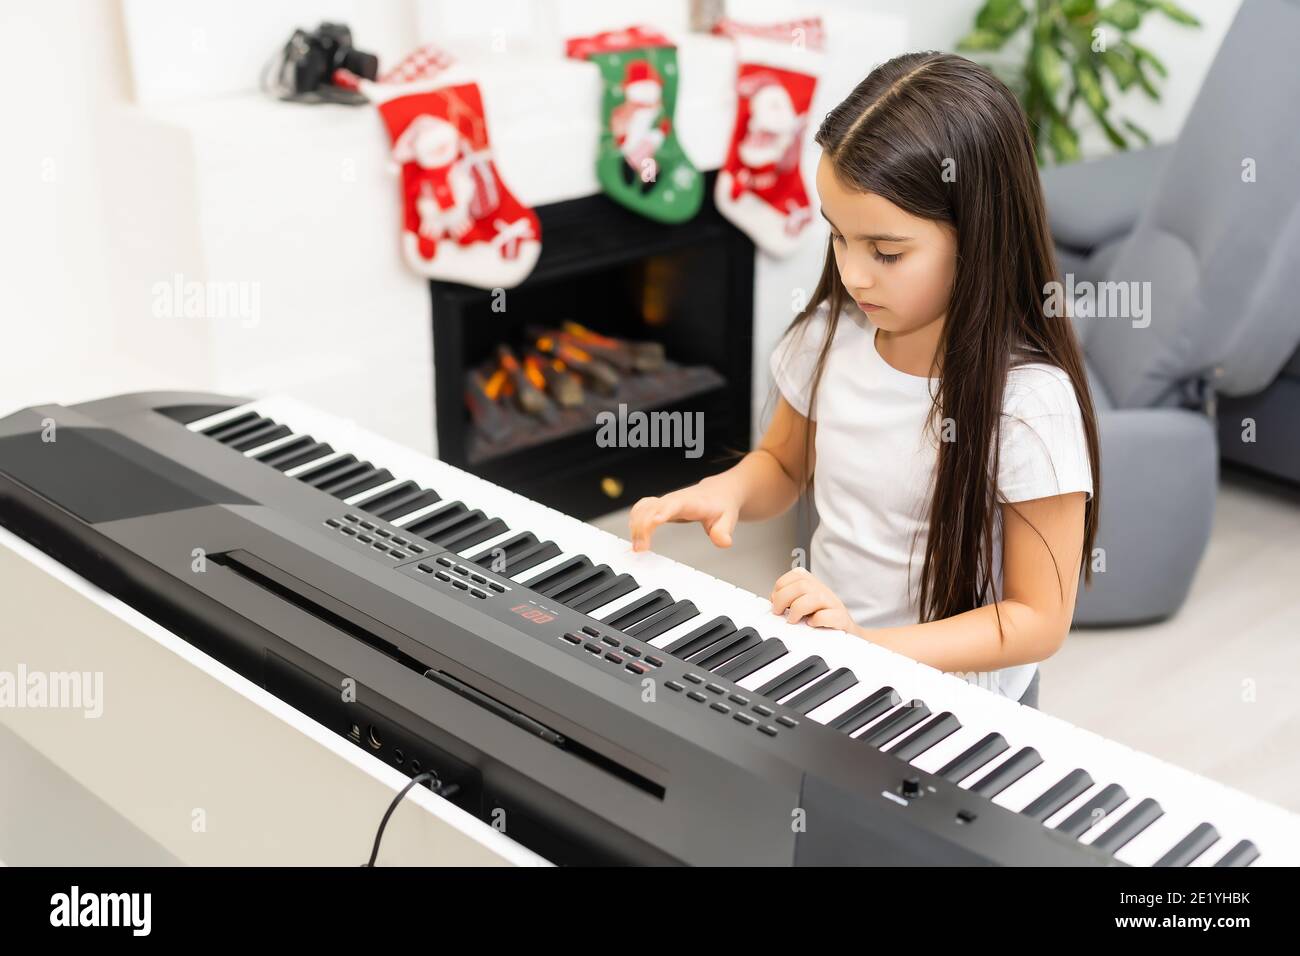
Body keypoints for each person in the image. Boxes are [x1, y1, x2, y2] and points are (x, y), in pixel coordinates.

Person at [628, 52, 1100, 709]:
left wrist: (867, 646)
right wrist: (728, 489)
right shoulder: (829, 335)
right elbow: (785, 465)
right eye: (838, 237)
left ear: (979, 236)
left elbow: (1036, 619)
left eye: (885, 251)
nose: (852, 274)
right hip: (838, 666)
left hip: (959, 708)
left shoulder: (1028, 406)